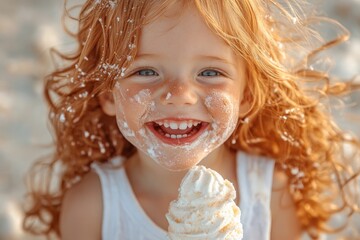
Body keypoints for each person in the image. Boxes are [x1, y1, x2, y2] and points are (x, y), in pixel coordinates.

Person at [23, 0, 360, 239]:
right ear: (109, 94)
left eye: (210, 72)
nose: (179, 93)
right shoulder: (93, 206)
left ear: (245, 96)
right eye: (146, 71)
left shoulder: (268, 193)